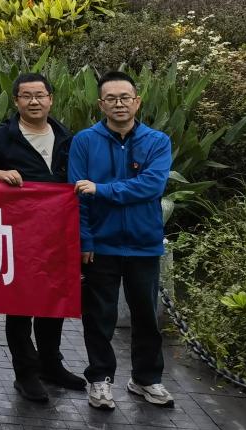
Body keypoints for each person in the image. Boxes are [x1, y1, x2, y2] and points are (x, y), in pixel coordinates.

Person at [69, 71, 175, 410]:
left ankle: (146, 378)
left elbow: (151, 187)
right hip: (101, 245)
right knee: (99, 317)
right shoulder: (85, 141)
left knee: (146, 316)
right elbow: (77, 195)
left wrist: (102, 189)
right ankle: (100, 379)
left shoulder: (157, 141)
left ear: (137, 102)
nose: (119, 104)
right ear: (101, 104)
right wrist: (85, 240)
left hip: (144, 244)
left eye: (125, 97)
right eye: (111, 98)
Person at [0, 72, 85, 403]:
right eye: (27, 96)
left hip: (58, 234)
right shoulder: (2, 136)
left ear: (51, 99)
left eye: (40, 95)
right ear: (16, 101)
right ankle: (25, 373)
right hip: (19, 234)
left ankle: (51, 364)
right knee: (21, 304)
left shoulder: (67, 137)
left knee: (53, 301)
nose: (34, 101)